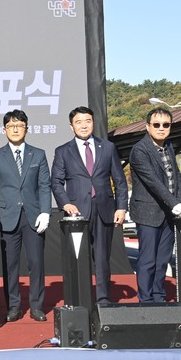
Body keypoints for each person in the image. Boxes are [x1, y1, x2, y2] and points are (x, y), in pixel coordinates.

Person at [51, 106, 128, 304]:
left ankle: (103, 299)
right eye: (79, 122)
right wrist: (66, 204)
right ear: (71, 126)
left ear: (93, 123)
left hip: (104, 210)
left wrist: (121, 207)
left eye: (87, 121)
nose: (84, 125)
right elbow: (56, 182)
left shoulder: (108, 147)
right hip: (76, 213)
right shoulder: (63, 151)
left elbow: (119, 180)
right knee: (78, 258)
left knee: (102, 259)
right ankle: (80, 299)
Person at [0, 110, 52, 322]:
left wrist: (45, 212)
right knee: (10, 265)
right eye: (11, 126)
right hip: (7, 217)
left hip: (33, 216)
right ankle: (13, 306)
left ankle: (37, 306)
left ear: (26, 128)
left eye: (19, 125)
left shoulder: (38, 154)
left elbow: (44, 185)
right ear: (4, 129)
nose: (15, 130)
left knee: (36, 263)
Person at [128, 108, 181, 304]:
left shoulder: (169, 146)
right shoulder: (139, 150)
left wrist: (179, 202)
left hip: (169, 213)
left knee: (163, 260)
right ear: (147, 126)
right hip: (148, 212)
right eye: (156, 124)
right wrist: (176, 204)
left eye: (166, 125)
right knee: (148, 260)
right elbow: (153, 182)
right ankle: (146, 300)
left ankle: (159, 296)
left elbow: (177, 177)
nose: (161, 128)